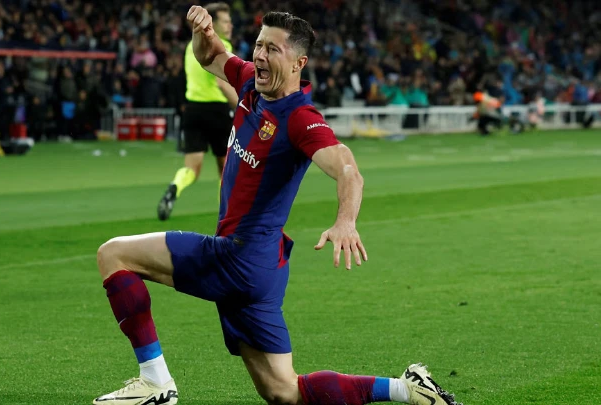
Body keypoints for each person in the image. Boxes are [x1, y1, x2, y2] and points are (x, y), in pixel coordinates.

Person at [92, 6, 462, 405]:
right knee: (285, 392)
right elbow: (208, 54)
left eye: (273, 49)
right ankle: (406, 389)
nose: (260, 55)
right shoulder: (250, 81)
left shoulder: (300, 119)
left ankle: (155, 381)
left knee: (114, 255)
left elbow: (348, 169)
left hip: (238, 257)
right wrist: (201, 30)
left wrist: (345, 221)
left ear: (299, 62)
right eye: (258, 45)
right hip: (263, 270)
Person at [157, 2, 239, 221]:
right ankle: (226, 214)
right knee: (225, 166)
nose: (230, 25)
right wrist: (242, 105)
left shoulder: (190, 47)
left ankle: (175, 186)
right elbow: (223, 84)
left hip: (192, 110)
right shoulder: (223, 46)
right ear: (211, 23)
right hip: (217, 111)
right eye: (225, 21)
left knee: (191, 167)